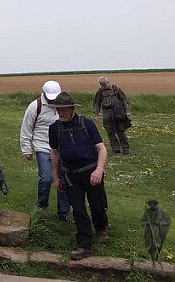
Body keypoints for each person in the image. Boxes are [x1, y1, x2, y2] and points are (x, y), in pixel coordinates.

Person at [49, 92, 109, 261]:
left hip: (91, 171)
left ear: (72, 108)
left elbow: (102, 149)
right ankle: (84, 244)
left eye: (64, 109)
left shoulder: (87, 124)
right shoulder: (54, 128)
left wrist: (99, 170)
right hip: (70, 175)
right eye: (58, 109)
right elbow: (54, 153)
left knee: (98, 205)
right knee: (78, 209)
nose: (61, 112)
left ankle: (101, 228)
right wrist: (56, 176)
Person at [19, 80, 71, 221]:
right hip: (42, 147)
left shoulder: (64, 105)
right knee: (46, 178)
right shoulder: (35, 106)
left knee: (64, 180)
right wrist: (26, 149)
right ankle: (42, 205)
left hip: (61, 149)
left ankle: (64, 213)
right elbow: (26, 128)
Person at [93, 76, 132, 155]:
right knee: (110, 132)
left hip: (118, 113)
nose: (104, 86)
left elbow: (124, 100)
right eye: (102, 85)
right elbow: (97, 103)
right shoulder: (100, 92)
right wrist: (96, 113)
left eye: (105, 84)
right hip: (106, 113)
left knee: (121, 131)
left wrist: (127, 111)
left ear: (108, 82)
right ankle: (115, 149)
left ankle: (125, 148)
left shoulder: (116, 89)